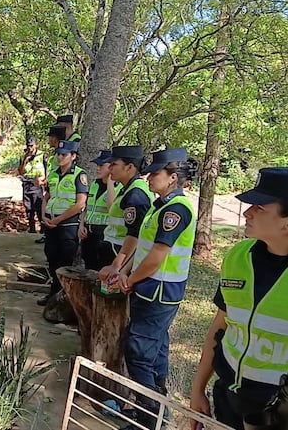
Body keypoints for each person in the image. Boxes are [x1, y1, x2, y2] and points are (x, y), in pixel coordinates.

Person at [190, 167, 288, 430]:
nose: (247, 213)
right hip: (227, 396)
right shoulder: (238, 256)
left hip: (278, 413)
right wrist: (198, 389)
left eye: (259, 207)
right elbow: (221, 325)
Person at [112, 148, 198, 430]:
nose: (148, 177)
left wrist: (131, 279)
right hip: (148, 288)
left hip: (159, 292)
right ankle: (158, 414)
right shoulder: (159, 205)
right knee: (156, 351)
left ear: (173, 178)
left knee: (138, 351)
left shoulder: (176, 209)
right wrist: (123, 272)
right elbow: (143, 246)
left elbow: (158, 256)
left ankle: (148, 420)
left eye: (155, 173)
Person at [38, 140, 88, 306]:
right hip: (50, 223)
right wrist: (44, 216)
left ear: (73, 156)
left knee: (65, 261)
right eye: (58, 154)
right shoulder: (53, 173)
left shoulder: (79, 175)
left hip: (67, 224)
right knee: (51, 257)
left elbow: (81, 203)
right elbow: (47, 196)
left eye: (64, 154)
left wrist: (58, 219)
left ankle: (62, 297)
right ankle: (53, 294)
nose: (60, 157)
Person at [99, 145, 153, 282]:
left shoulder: (136, 194)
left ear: (129, 167)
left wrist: (116, 266)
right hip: (116, 251)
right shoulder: (127, 189)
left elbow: (134, 235)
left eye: (114, 164)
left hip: (121, 255)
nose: (109, 168)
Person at [78, 149, 119, 271]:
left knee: (102, 268)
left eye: (101, 165)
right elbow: (86, 208)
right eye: (97, 165)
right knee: (89, 267)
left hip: (104, 234)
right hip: (88, 233)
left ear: (111, 167)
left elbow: (111, 208)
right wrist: (81, 225)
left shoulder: (119, 186)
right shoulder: (94, 184)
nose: (97, 168)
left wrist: (111, 182)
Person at [37, 126, 66, 244]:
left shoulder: (61, 155)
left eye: (50, 137)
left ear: (55, 138)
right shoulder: (55, 154)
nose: (49, 140)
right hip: (52, 186)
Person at [17, 136, 46, 234]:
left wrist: (43, 182)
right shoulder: (24, 156)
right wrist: (25, 159)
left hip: (37, 184)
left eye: (32, 146)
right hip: (26, 184)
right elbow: (20, 172)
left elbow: (47, 171)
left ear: (36, 145)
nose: (30, 148)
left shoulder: (42, 155)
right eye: (28, 146)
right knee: (29, 209)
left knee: (39, 208)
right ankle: (32, 230)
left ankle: (42, 230)